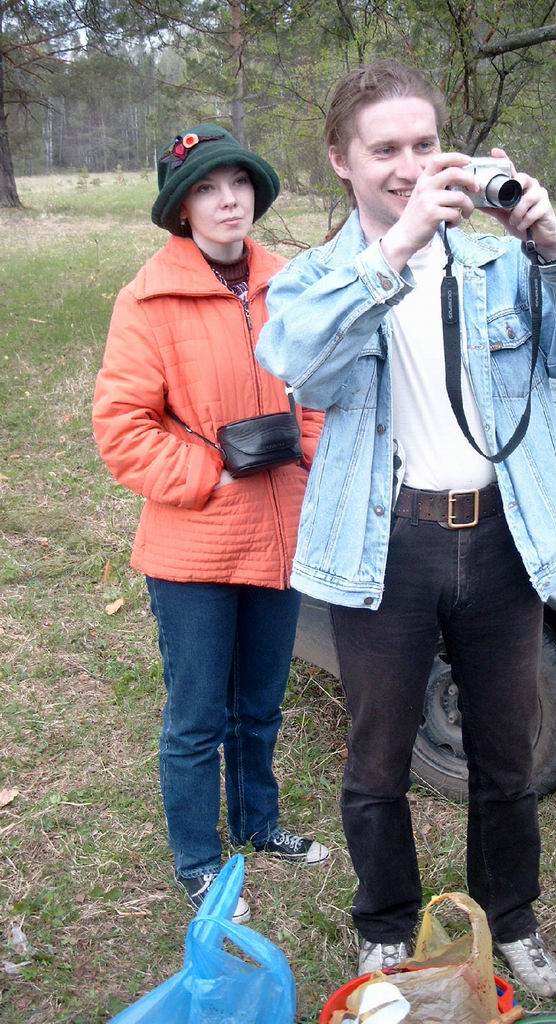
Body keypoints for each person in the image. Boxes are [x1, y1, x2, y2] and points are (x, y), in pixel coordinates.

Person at [257, 61, 556, 995]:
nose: (409, 166)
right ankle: (385, 924)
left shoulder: (500, 264)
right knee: (378, 756)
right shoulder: (318, 278)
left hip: (502, 539)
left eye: (424, 144)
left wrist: (549, 239)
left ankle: (512, 919)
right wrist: (395, 250)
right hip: (387, 543)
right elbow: (296, 362)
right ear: (341, 160)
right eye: (385, 149)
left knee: (504, 754)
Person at [92, 124, 328, 924]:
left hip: (281, 533)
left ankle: (258, 824)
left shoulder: (290, 284)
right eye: (206, 187)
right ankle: (197, 859)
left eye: (238, 183)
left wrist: (305, 456)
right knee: (197, 717)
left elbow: (318, 389)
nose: (228, 200)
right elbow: (122, 428)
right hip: (193, 547)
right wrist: (211, 474)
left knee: (259, 705)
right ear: (181, 208)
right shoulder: (148, 300)